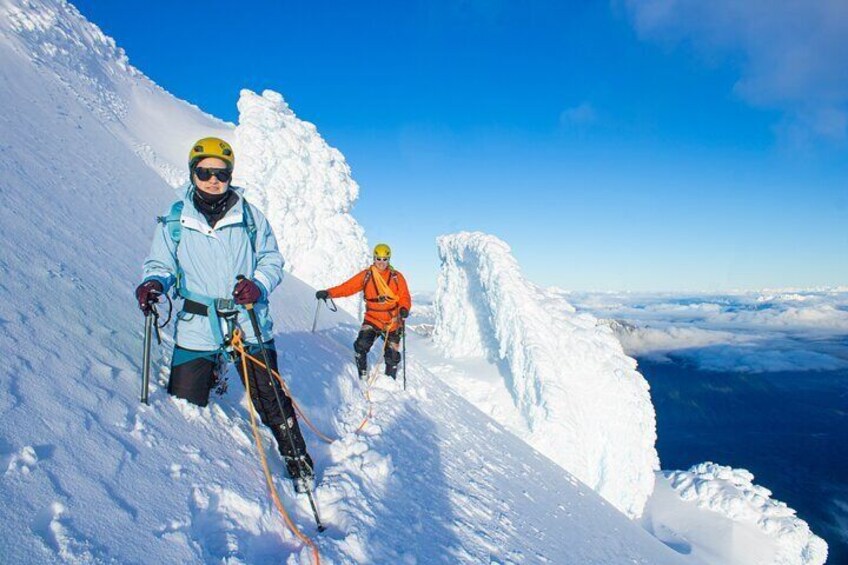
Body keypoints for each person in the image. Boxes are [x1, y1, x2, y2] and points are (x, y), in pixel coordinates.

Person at [134, 137, 313, 485]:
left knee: (270, 397)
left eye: (222, 173)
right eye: (204, 172)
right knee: (185, 401)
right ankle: (213, 368)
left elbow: (271, 258)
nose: (213, 179)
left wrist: (258, 284)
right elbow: (162, 263)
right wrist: (154, 283)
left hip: (248, 320)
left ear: (230, 175)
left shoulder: (249, 216)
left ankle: (297, 459)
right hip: (197, 324)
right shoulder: (175, 219)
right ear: (192, 173)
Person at [316, 244, 411, 379]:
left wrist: (404, 308)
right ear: (374, 258)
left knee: (393, 355)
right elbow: (347, 287)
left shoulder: (397, 277)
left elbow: (404, 296)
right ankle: (362, 373)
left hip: (393, 320)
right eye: (379, 258)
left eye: (385, 259)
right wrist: (328, 293)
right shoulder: (366, 276)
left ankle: (391, 379)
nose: (381, 262)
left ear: (389, 259)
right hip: (373, 319)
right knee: (361, 345)